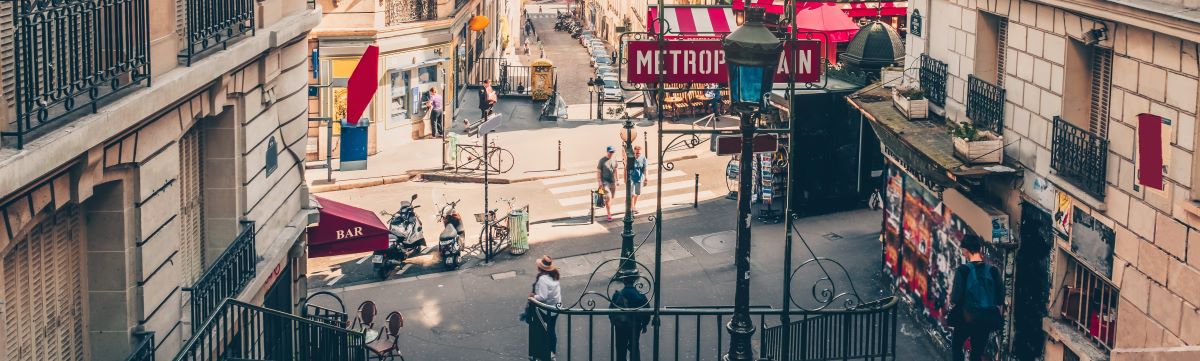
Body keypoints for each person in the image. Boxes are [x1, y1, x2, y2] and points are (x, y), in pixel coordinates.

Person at [948, 234, 1004, 361]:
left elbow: (956, 298)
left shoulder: (963, 271)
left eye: (963, 251)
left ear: (966, 251)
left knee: (957, 346)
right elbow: (1000, 299)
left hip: (966, 317)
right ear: (980, 249)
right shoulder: (993, 271)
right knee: (976, 353)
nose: (963, 254)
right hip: (985, 320)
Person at [526, 256, 562, 360]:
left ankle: (542, 353)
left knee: (542, 330)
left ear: (540, 268)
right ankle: (552, 352)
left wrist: (532, 297)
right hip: (555, 308)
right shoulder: (554, 274)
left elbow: (543, 296)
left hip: (546, 310)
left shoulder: (542, 279)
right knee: (551, 330)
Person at [609, 280, 651, 361]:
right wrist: (645, 324)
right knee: (634, 346)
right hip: (635, 325)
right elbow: (646, 310)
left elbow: (611, 311)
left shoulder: (618, 294)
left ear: (624, 281)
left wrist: (613, 322)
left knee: (621, 348)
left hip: (621, 326)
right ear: (635, 280)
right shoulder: (640, 295)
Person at [596, 146, 618, 221]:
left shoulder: (614, 159)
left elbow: (615, 170)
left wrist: (617, 180)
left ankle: (607, 204)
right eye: (610, 152)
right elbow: (598, 172)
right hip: (605, 182)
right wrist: (599, 181)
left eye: (613, 152)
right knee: (608, 197)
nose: (611, 153)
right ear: (607, 152)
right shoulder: (602, 161)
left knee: (611, 197)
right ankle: (609, 213)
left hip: (613, 182)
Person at [628, 146, 647, 214]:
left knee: (637, 193)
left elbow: (645, 168)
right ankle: (633, 207)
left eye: (639, 153)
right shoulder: (631, 158)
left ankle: (633, 207)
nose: (637, 154)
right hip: (632, 178)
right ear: (634, 152)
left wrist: (646, 178)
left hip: (640, 178)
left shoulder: (643, 158)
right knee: (632, 194)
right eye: (636, 153)